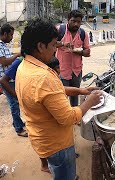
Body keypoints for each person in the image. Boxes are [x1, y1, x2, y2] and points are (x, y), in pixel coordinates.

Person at [15, 18, 101, 180]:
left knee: (58, 170)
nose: (56, 50)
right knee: (65, 175)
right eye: (54, 45)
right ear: (40, 46)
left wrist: (82, 90)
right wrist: (90, 102)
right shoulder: (44, 77)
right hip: (57, 144)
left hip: (41, 137)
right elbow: (68, 118)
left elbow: (53, 92)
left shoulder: (25, 66)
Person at [56, 10, 91, 106]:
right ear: (68, 20)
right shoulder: (59, 30)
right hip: (62, 71)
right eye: (73, 21)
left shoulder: (83, 34)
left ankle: (75, 118)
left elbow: (87, 52)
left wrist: (77, 51)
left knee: (75, 95)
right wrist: (63, 43)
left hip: (77, 71)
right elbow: (50, 44)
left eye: (79, 22)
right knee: (61, 97)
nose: (76, 24)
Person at [0, 23, 27, 137]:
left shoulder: (4, 45)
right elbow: (5, 62)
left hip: (10, 78)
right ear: (5, 34)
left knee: (15, 101)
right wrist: (18, 55)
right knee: (14, 103)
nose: (11, 38)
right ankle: (19, 129)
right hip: (5, 80)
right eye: (10, 35)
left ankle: (18, 122)